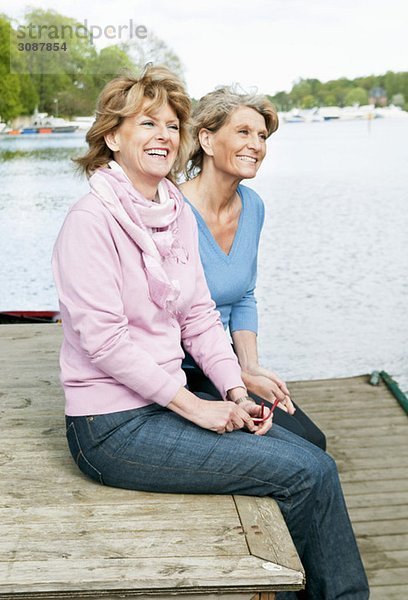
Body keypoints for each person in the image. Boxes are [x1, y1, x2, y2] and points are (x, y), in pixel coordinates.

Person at [52, 66, 369, 599]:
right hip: (110, 427)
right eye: (146, 123)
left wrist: (235, 389)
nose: (163, 137)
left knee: (310, 463)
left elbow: (199, 315)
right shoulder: (90, 221)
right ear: (112, 136)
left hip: (161, 404)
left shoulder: (171, 209)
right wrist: (196, 406)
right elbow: (104, 343)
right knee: (306, 472)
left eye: (172, 125)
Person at [180, 88, 326, 450]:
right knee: (284, 450)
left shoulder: (253, 206)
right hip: (178, 370)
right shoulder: (173, 209)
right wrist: (237, 380)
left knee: (313, 440)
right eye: (243, 132)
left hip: (225, 363)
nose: (257, 145)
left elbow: (244, 295)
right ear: (207, 140)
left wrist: (251, 367)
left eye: (261, 136)